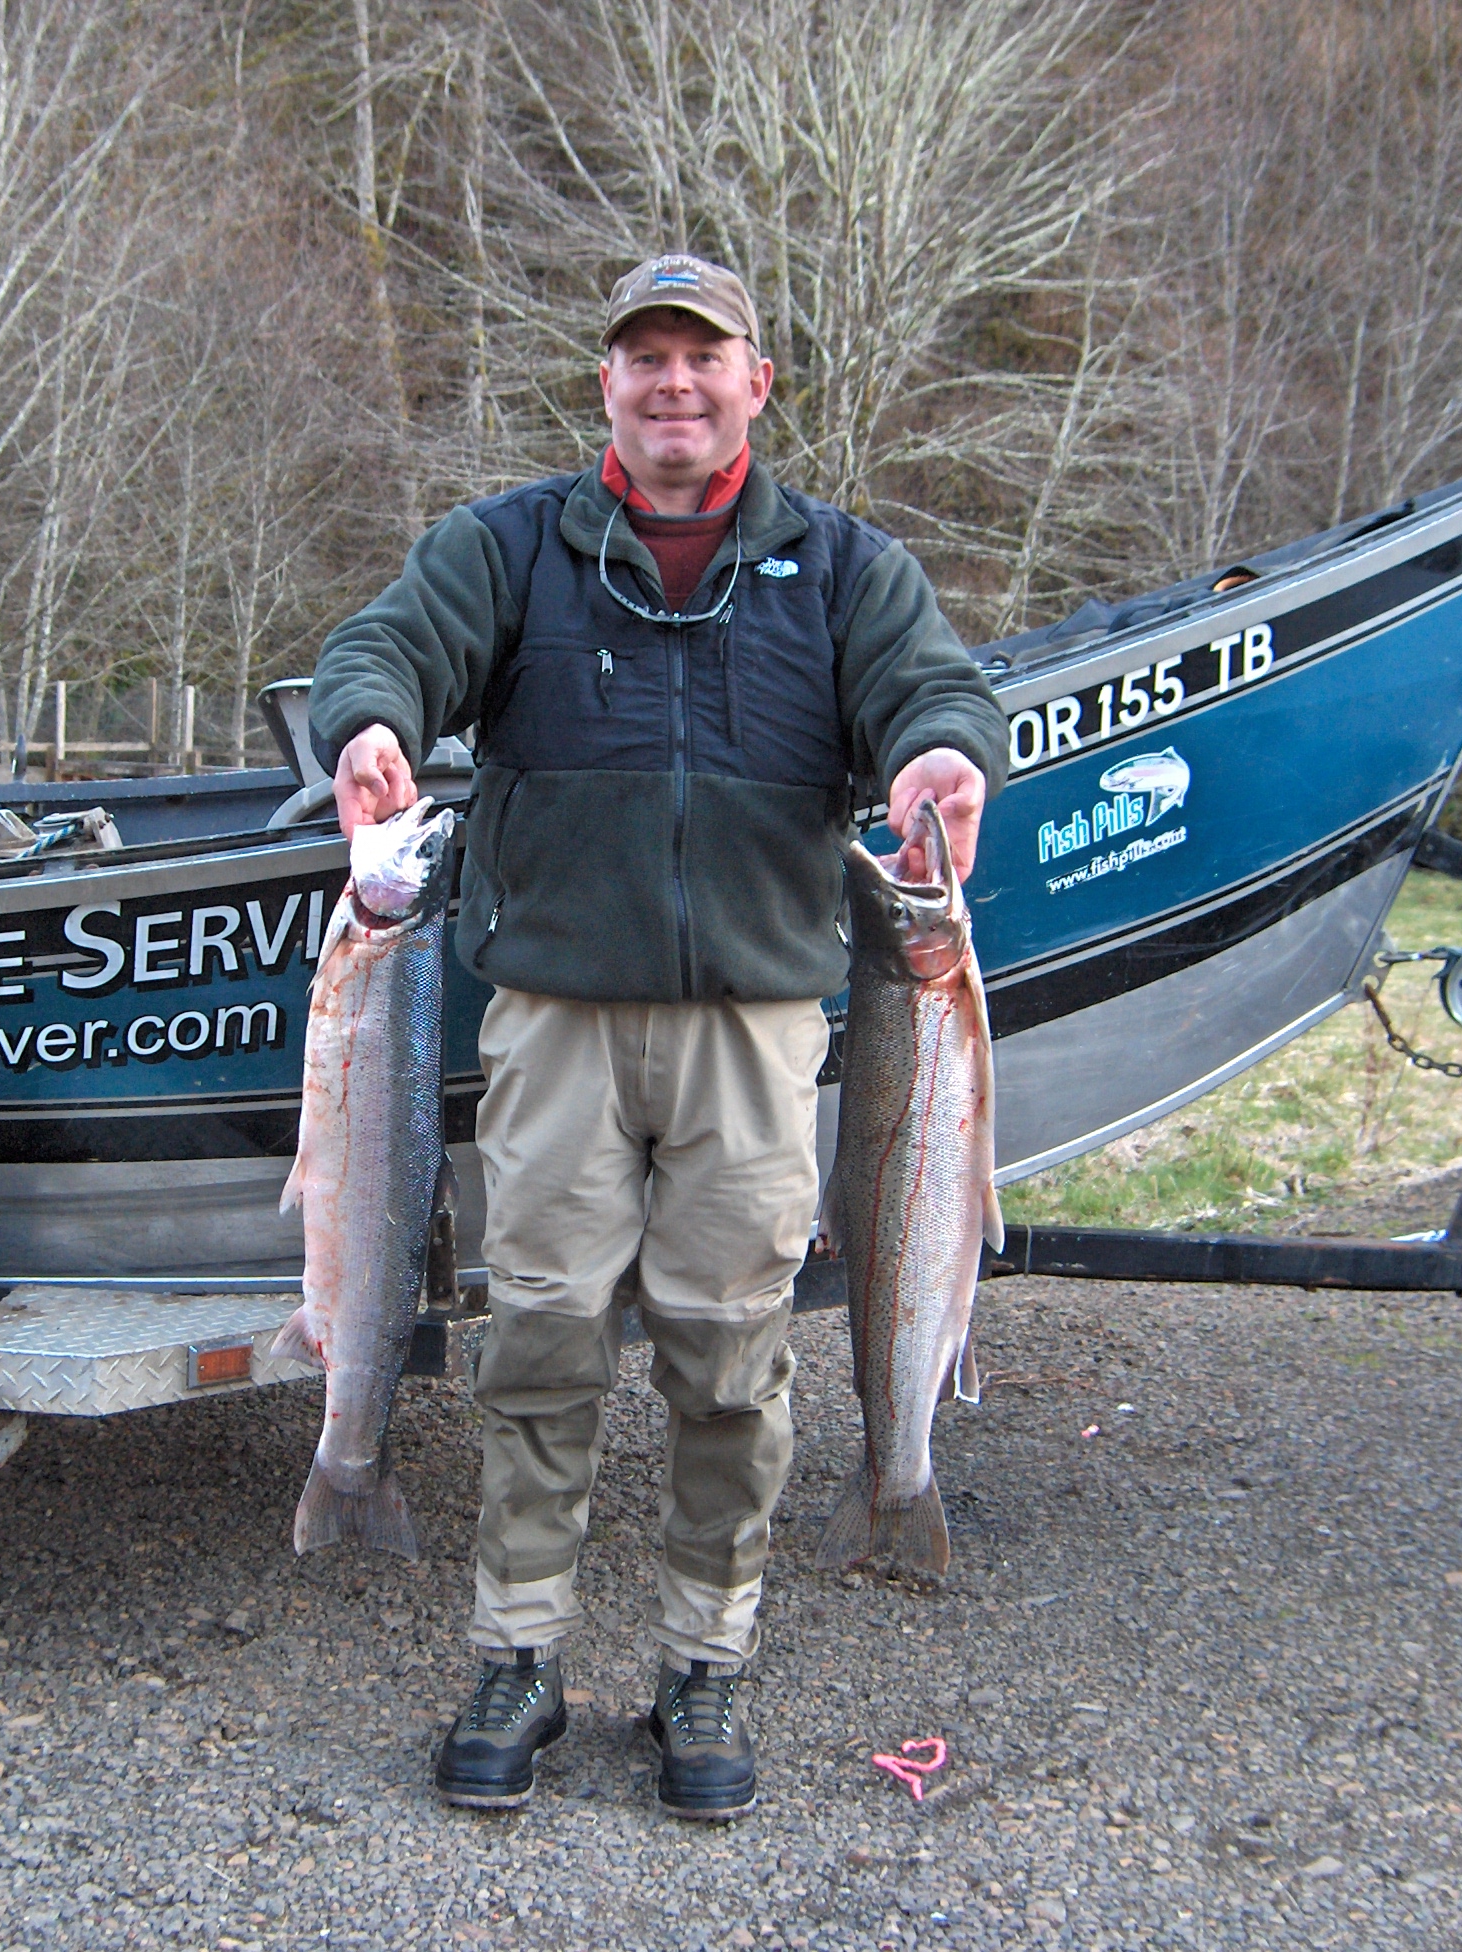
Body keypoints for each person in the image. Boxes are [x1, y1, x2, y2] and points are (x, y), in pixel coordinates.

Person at [307, 252, 1008, 1820]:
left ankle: (707, 1662)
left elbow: (936, 694)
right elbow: (380, 652)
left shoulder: (845, 570)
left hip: (756, 1033)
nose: (674, 382)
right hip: (552, 1022)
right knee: (540, 1340)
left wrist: (944, 757)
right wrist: (370, 727)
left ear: (758, 382)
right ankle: (518, 1655)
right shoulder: (507, 549)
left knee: (731, 1354)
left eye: (705, 356)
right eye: (645, 356)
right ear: (607, 385)